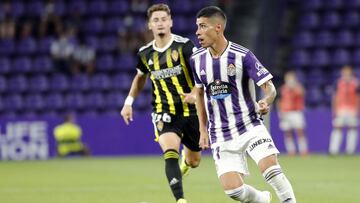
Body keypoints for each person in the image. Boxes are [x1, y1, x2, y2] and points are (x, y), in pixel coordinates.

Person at [184, 6, 296, 203]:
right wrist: (203, 129)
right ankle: (262, 199)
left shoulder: (243, 56)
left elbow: (270, 88)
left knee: (270, 169)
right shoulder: (196, 60)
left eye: (202, 26)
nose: (197, 32)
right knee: (234, 192)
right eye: (197, 27)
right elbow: (200, 94)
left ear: (218, 28)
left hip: (249, 125)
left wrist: (265, 100)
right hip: (220, 132)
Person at [120, 4, 201, 203]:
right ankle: (180, 200)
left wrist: (194, 93)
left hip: (191, 111)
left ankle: (186, 162)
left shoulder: (185, 46)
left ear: (170, 22)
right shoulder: (145, 53)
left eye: (164, 19)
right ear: (150, 25)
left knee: (194, 161)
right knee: (170, 151)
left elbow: (202, 73)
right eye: (156, 20)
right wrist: (128, 102)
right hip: (163, 110)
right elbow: (140, 78)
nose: (160, 23)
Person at [329, 65, 359, 155]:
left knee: (352, 129)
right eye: (344, 73)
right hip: (340, 109)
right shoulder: (338, 83)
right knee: (337, 128)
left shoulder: (356, 83)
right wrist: (334, 110)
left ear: (351, 73)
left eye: (348, 73)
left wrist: (357, 109)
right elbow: (335, 97)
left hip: (352, 109)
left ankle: (350, 151)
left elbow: (358, 97)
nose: (346, 75)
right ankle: (333, 150)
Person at [278, 71, 308, 156]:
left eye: (291, 78)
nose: (290, 80)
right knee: (288, 133)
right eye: (288, 78)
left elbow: (302, 94)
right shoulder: (283, 89)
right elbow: (279, 101)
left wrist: (294, 87)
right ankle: (291, 151)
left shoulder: (298, 87)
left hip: (296, 112)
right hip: (285, 112)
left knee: (300, 131)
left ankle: (303, 151)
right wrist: (280, 112)